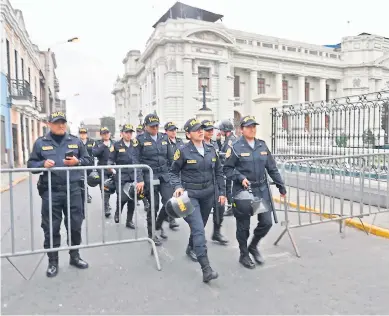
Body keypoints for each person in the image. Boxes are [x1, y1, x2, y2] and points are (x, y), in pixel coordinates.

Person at [27, 112, 92, 278]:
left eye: (63, 122)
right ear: (49, 124)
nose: (61, 125)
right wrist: (42, 164)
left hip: (74, 189)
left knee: (75, 224)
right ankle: (53, 261)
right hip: (52, 191)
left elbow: (88, 160)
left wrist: (78, 162)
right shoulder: (41, 143)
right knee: (51, 227)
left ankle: (75, 256)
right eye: (57, 123)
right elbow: (31, 164)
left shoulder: (75, 141)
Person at [223, 115, 286, 269]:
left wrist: (281, 186)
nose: (252, 129)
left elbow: (272, 168)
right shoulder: (236, 147)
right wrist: (239, 177)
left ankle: (253, 246)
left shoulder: (262, 146)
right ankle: (244, 254)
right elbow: (227, 169)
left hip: (260, 190)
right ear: (241, 129)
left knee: (266, 222)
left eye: (254, 126)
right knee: (243, 226)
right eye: (249, 126)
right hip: (244, 191)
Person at [169, 118, 224, 282]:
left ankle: (190, 247)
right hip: (191, 195)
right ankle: (206, 269)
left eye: (201, 128)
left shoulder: (211, 148)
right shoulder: (183, 151)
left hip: (208, 194)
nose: (201, 131)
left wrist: (221, 192)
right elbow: (173, 172)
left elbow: (219, 172)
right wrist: (177, 186)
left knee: (200, 226)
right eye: (196, 129)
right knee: (199, 229)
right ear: (188, 134)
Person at [132, 113, 174, 246]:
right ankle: (152, 233)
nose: (155, 128)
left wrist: (175, 175)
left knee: (169, 202)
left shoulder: (164, 137)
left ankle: (158, 223)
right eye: (152, 126)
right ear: (145, 126)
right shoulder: (139, 139)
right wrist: (139, 179)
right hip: (149, 175)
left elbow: (171, 158)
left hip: (164, 174)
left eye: (156, 125)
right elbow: (135, 161)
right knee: (154, 204)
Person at [201, 119, 228, 245]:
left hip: (215, 180)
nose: (211, 132)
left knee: (220, 207)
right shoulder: (197, 144)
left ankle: (216, 233)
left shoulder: (214, 144)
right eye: (208, 130)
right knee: (202, 212)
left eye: (212, 129)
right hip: (202, 183)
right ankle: (198, 234)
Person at [107, 124, 140, 229]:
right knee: (122, 196)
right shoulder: (116, 145)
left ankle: (129, 220)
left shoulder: (135, 144)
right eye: (127, 132)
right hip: (121, 175)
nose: (129, 134)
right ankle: (118, 212)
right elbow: (111, 160)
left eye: (131, 132)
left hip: (133, 175)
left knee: (132, 198)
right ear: (122, 133)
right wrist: (111, 168)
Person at [163, 121, 184, 230]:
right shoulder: (164, 143)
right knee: (169, 196)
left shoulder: (180, 142)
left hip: (178, 172)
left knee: (175, 196)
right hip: (168, 173)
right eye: (171, 130)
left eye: (175, 130)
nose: (174, 132)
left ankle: (168, 215)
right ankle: (171, 218)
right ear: (166, 131)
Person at [92, 127, 115, 217]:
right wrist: (103, 146)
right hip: (102, 168)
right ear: (101, 135)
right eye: (104, 133)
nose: (106, 135)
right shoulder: (98, 143)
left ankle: (107, 203)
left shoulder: (114, 143)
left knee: (110, 187)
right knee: (104, 187)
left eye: (107, 133)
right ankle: (106, 207)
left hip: (112, 168)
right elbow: (94, 153)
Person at [218, 119, 237, 217]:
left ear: (225, 130)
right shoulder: (228, 139)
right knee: (228, 188)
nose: (219, 131)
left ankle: (232, 208)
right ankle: (231, 207)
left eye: (221, 129)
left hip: (230, 168)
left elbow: (227, 155)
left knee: (229, 188)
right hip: (228, 168)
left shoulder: (231, 141)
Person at [78, 127, 94, 204]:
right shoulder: (77, 142)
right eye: (81, 133)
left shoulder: (91, 141)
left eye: (84, 133)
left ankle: (86, 193)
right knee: (83, 180)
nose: (83, 135)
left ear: (86, 134)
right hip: (81, 164)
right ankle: (86, 194)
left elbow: (95, 152)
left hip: (90, 164)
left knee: (89, 180)